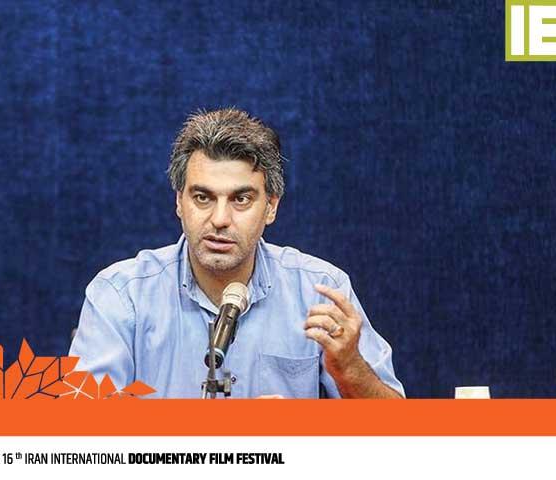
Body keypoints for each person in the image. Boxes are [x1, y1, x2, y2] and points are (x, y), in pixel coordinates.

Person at [69, 108, 404, 398]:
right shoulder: (121, 295)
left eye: (241, 199)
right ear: (179, 202)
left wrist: (351, 368)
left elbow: (400, 431)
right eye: (202, 197)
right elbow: (77, 432)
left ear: (271, 207)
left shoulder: (319, 291)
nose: (219, 219)